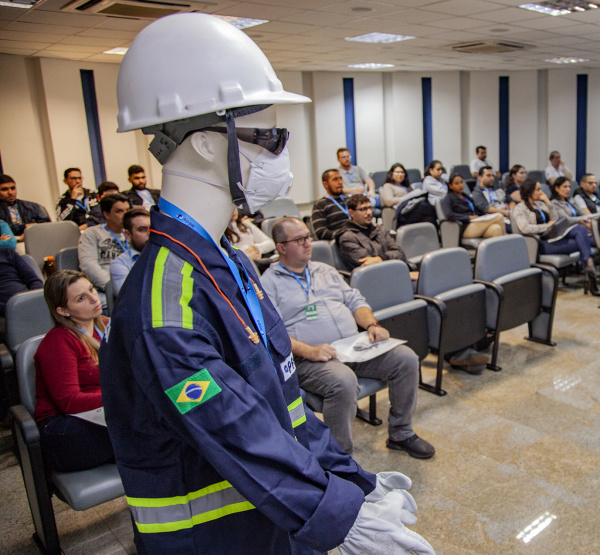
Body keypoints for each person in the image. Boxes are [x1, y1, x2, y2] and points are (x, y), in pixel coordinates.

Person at [100, 14, 431, 554]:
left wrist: (352, 483)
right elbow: (236, 428)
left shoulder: (227, 263)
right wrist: (341, 518)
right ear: (208, 143)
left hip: (273, 520)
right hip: (215, 539)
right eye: (271, 137)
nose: (282, 155)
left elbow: (285, 408)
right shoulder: (166, 303)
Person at [262, 217, 433, 458]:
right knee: (343, 381)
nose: (307, 244)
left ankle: (401, 433)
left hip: (351, 347)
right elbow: (271, 333)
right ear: (280, 247)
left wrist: (371, 324)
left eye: (308, 237)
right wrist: (310, 351)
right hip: (309, 358)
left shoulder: (325, 270)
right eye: (299, 240)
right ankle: (340, 457)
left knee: (406, 359)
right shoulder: (268, 284)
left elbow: (355, 301)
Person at [33, 270, 115, 472]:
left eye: (91, 289)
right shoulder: (58, 342)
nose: (94, 298)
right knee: (146, 428)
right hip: (64, 427)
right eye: (81, 298)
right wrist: (120, 396)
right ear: (63, 311)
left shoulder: (107, 325)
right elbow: (69, 401)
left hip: (104, 413)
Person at [511, 179, 599, 295]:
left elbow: (555, 219)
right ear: (529, 191)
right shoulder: (520, 208)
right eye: (538, 189)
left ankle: (589, 268)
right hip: (540, 244)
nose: (541, 192)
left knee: (580, 230)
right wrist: (545, 226)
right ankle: (590, 273)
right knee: (583, 242)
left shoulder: (540, 204)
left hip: (552, 237)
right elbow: (525, 228)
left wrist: (548, 202)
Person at [336, 194, 415, 276]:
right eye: (363, 209)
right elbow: (371, 266)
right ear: (351, 213)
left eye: (369, 208)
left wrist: (380, 258)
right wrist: (387, 258)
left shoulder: (379, 230)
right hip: (373, 280)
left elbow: (400, 253)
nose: (369, 212)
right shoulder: (347, 238)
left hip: (394, 273)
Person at [77, 192, 130, 295]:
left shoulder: (132, 233)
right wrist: (113, 286)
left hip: (132, 285)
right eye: (119, 211)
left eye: (127, 210)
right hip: (106, 289)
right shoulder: (92, 234)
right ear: (107, 214)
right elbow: (89, 266)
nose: (126, 215)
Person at [441, 174, 505, 239]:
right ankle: (507, 247)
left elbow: (476, 209)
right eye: (456, 183)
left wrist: (484, 216)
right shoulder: (448, 198)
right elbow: (449, 215)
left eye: (461, 182)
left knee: (497, 228)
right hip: (465, 227)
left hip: (475, 223)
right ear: (451, 186)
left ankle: (498, 249)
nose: (460, 185)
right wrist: (468, 217)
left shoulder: (466, 196)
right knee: (499, 217)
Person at [109, 207, 150, 295]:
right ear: (128, 235)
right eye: (142, 229)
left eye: (152, 229)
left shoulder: (168, 256)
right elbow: (130, 299)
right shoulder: (119, 265)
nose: (149, 234)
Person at [0, 174, 51, 240]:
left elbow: (47, 225)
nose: (10, 192)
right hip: (9, 244)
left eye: (13, 188)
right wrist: (24, 227)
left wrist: (30, 233)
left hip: (34, 239)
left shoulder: (32, 206)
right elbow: (3, 230)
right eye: (4, 189)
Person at [312, 169, 351, 241]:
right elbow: (321, 232)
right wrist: (343, 235)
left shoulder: (348, 200)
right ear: (326, 184)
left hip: (356, 238)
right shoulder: (320, 205)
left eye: (340, 179)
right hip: (340, 241)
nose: (340, 182)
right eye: (335, 179)